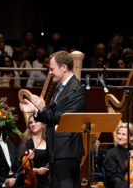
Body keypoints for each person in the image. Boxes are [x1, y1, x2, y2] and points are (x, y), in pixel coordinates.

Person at [19, 50, 86, 188]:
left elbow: (65, 118)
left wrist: (42, 108)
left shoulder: (76, 88)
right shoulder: (61, 88)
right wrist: (36, 110)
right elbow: (51, 115)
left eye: (51, 69)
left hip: (67, 151)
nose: (49, 73)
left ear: (64, 68)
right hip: (57, 150)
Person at [15, 114, 50, 188]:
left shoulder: (49, 142)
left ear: (43, 124)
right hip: (30, 183)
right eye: (30, 123)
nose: (33, 124)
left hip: (46, 182)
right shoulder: (25, 142)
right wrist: (37, 170)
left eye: (36, 121)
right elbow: (17, 167)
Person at [103, 123, 133, 188]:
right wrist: (129, 186)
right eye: (118, 133)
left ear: (131, 137)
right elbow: (113, 179)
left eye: (123, 134)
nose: (120, 137)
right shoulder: (111, 153)